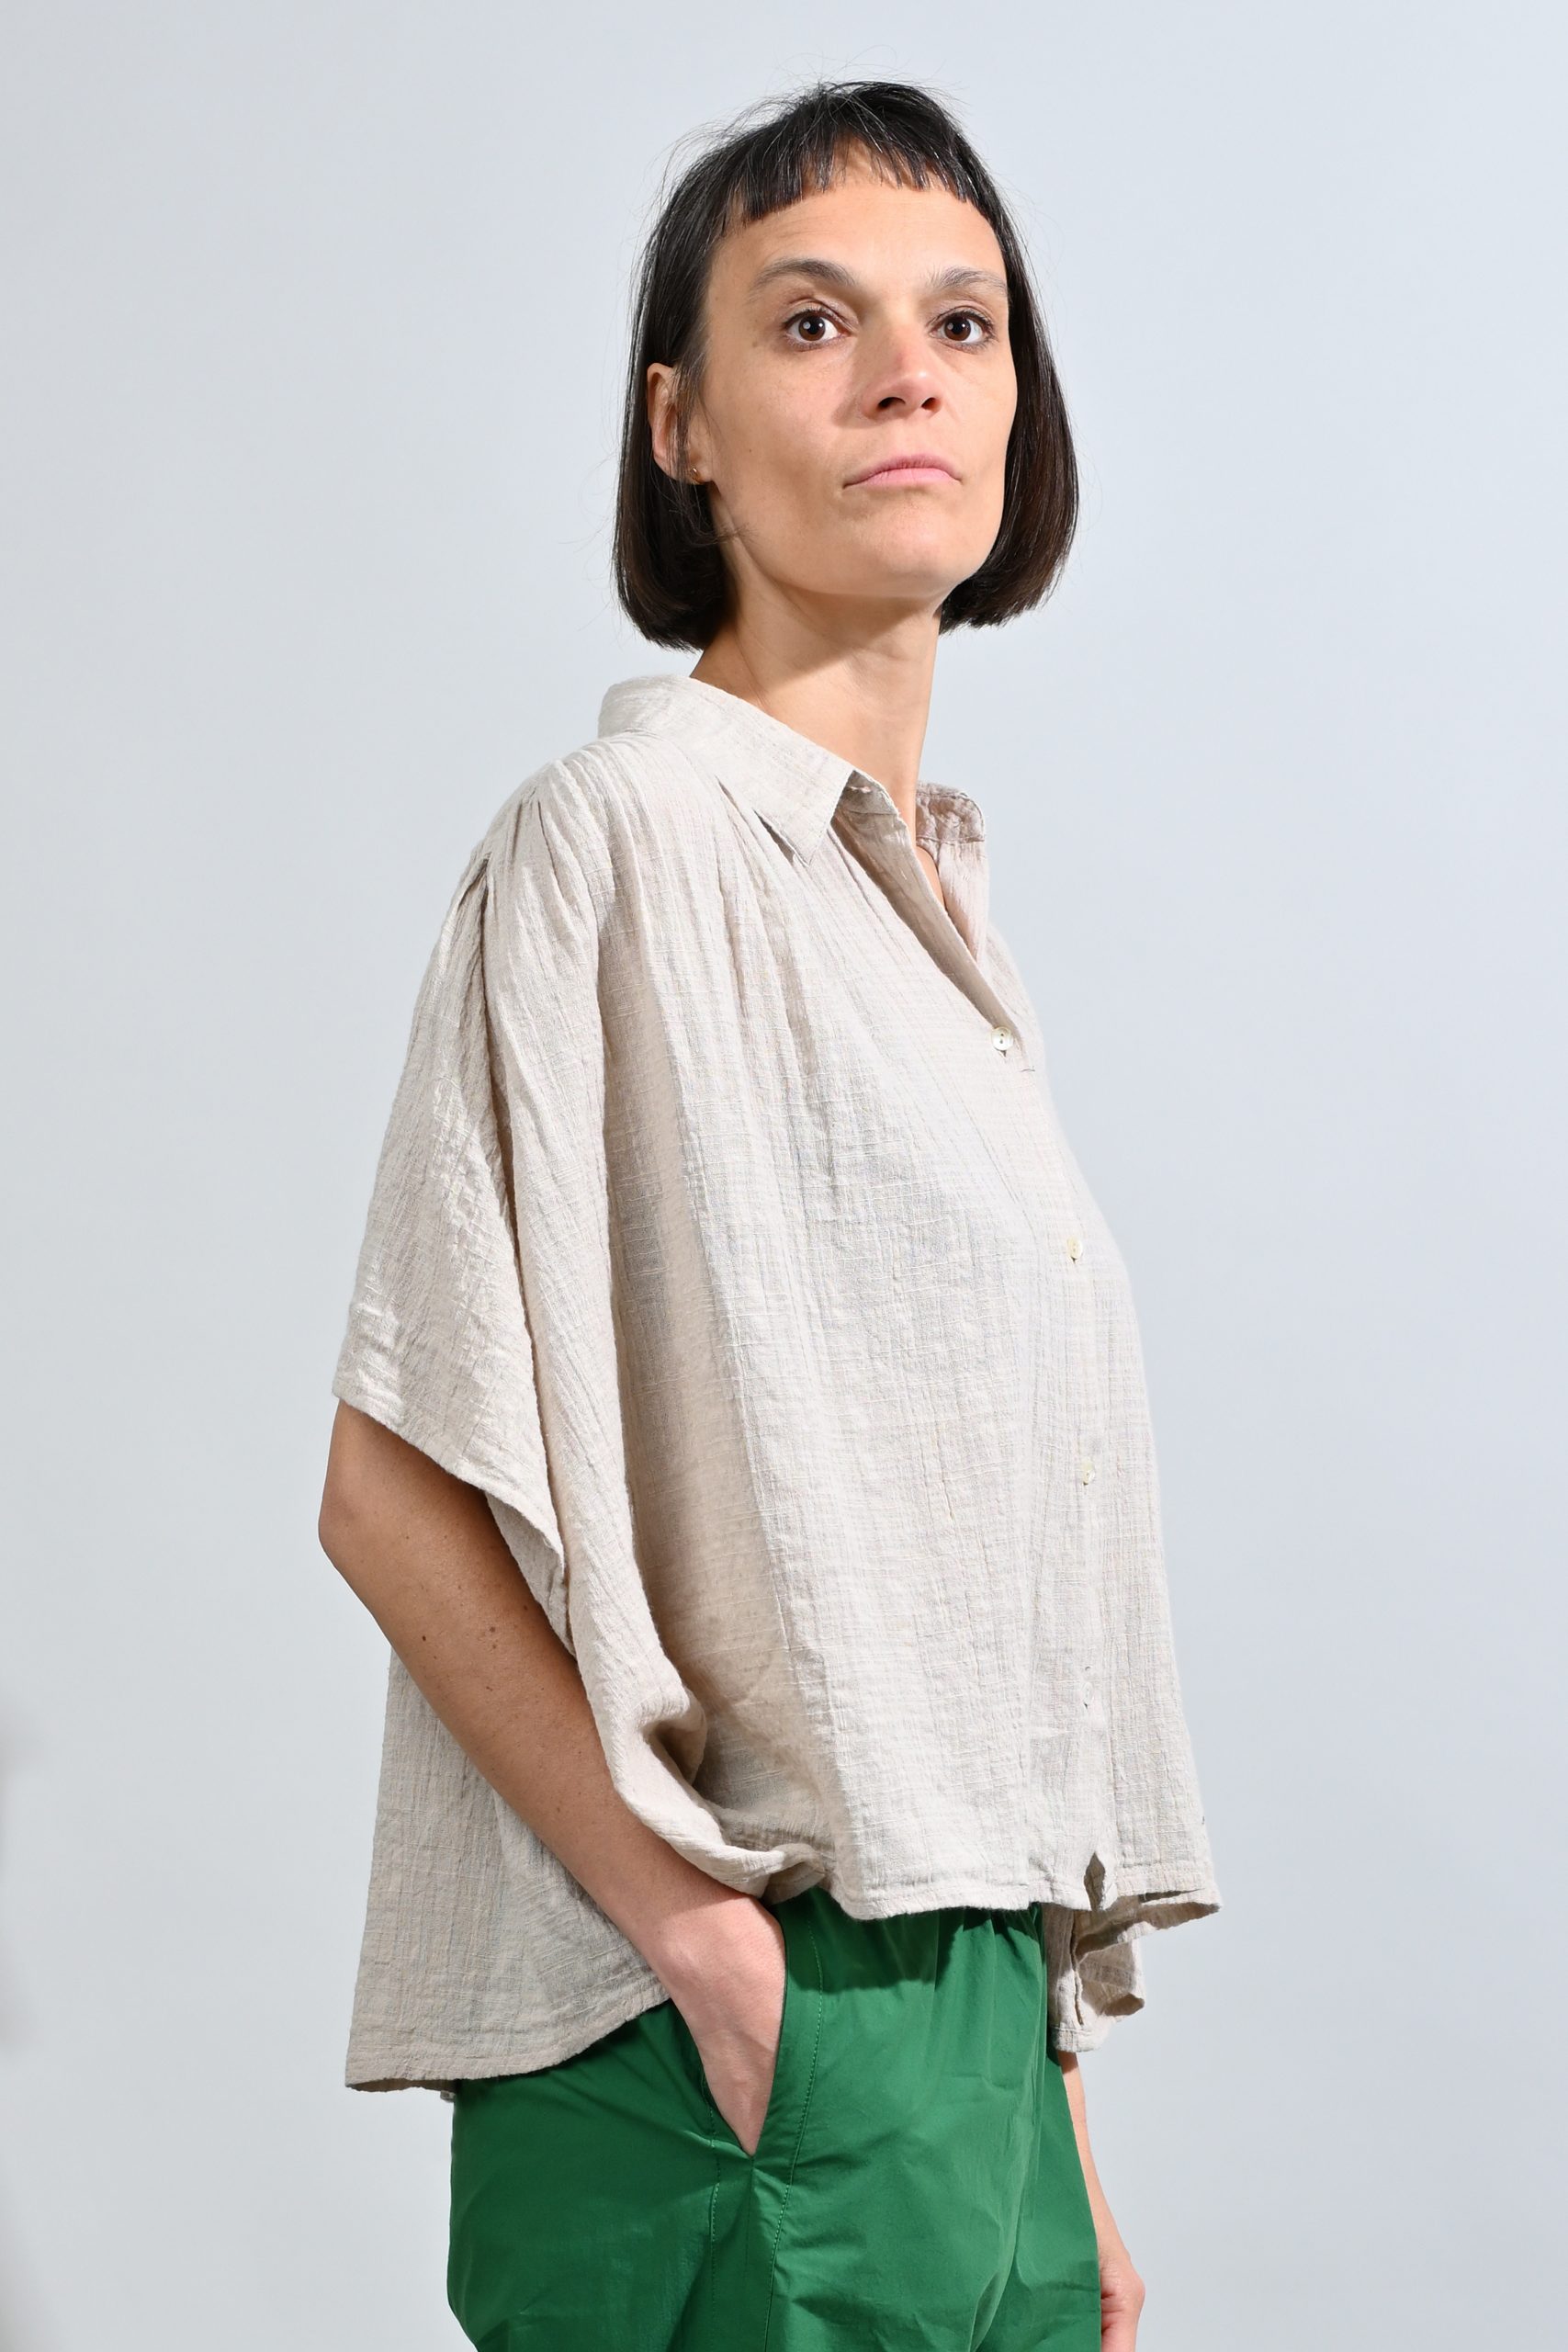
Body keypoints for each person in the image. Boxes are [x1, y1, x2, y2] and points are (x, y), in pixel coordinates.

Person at [318, 75, 1221, 2352]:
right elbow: (389, 1481)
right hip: (740, 2023)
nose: (906, 372)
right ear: (681, 427)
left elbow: (942, 1614)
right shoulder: (616, 845)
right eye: (811, 322)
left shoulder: (937, 935)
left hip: (976, 2047)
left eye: (961, 323)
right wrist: (716, 1957)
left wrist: (1049, 2131)